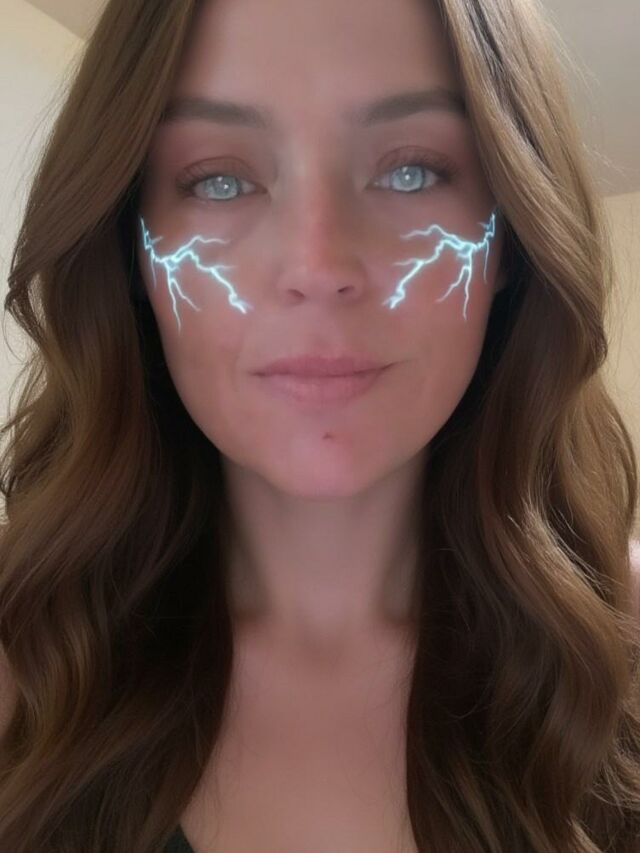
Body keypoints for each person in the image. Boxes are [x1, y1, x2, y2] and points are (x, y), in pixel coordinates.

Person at [0, 0, 639, 850]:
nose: (318, 265)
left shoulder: (624, 642)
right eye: (218, 179)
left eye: (412, 172)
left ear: (511, 245)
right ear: (129, 250)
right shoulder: (22, 643)